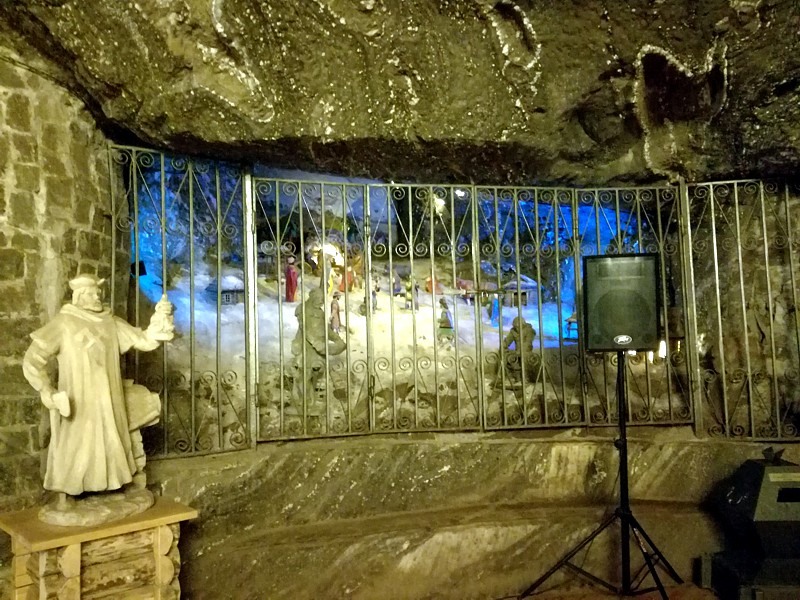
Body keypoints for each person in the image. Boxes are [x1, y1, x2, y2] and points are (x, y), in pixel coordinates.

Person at [22, 274, 174, 501]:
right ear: (79, 295)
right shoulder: (64, 323)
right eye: (92, 293)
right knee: (79, 444)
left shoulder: (110, 322)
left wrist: (160, 319)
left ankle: (110, 487)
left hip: (110, 398)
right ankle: (71, 491)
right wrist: (46, 390)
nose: (97, 297)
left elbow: (144, 340)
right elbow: (33, 359)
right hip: (80, 398)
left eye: (98, 293)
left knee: (111, 439)